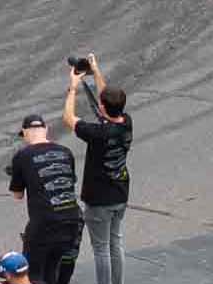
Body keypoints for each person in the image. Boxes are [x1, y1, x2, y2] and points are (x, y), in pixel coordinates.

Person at [65, 55, 132, 284]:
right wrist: (96, 70)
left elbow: (68, 118)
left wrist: (73, 89)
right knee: (115, 242)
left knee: (101, 249)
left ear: (103, 108)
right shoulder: (126, 122)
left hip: (99, 199)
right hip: (120, 193)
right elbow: (106, 99)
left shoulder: (98, 133)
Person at [10, 113, 85, 284]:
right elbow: (69, 181)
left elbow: (17, 194)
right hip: (71, 223)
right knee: (53, 269)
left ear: (25, 132)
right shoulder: (66, 152)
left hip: (44, 224)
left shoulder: (22, 156)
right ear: (46, 130)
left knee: (33, 275)